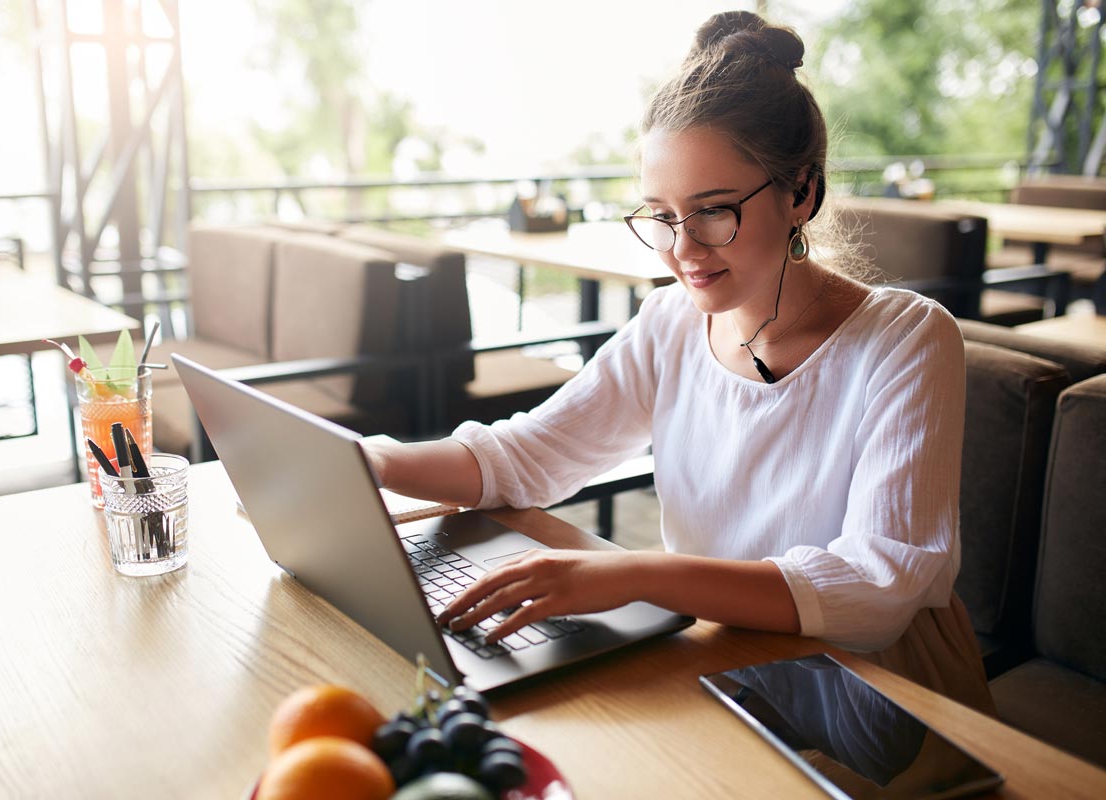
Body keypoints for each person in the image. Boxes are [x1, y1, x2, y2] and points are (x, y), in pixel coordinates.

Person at [365, 10, 993, 712]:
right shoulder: (670, 323)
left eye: (714, 211)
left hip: (881, 700)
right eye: (659, 215)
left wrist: (639, 576)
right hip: (725, 660)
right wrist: (376, 463)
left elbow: (878, 587)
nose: (683, 249)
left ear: (802, 193)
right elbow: (532, 454)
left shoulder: (906, 340)